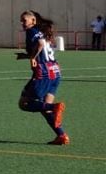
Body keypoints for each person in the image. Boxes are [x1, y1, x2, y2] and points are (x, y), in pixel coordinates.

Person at [18, 10, 69, 145]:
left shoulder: (32, 32)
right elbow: (43, 50)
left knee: (24, 104)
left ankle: (55, 108)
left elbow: (40, 44)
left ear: (33, 21)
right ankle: (62, 136)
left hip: (43, 74)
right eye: (21, 20)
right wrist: (26, 56)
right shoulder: (42, 33)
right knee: (44, 108)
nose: (22, 23)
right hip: (55, 72)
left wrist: (32, 57)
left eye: (24, 20)